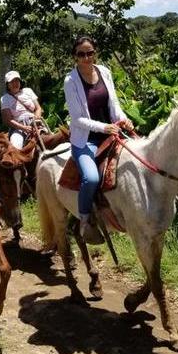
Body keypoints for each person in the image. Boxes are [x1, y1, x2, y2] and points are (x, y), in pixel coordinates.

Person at [64, 35, 133, 245]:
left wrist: (123, 119)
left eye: (90, 53)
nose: (86, 58)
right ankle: (85, 220)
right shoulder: (71, 81)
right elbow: (77, 118)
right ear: (75, 57)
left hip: (112, 133)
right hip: (86, 140)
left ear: (96, 52)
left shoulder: (105, 72)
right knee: (91, 178)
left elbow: (114, 104)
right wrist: (104, 127)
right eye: (81, 54)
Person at [0, 70, 44, 150]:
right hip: (18, 127)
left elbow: (38, 108)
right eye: (12, 81)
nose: (15, 83)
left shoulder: (28, 91)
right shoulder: (5, 98)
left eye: (17, 80)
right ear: (7, 85)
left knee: (53, 139)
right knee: (16, 146)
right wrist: (23, 128)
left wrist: (37, 118)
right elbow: (8, 120)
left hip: (35, 123)